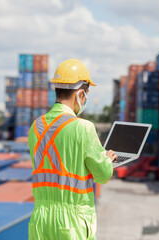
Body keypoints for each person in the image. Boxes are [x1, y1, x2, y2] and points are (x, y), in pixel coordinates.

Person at [28, 59, 117, 240]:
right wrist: (107, 159)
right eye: (86, 94)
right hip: (71, 223)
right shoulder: (83, 128)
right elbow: (102, 175)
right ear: (80, 93)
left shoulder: (36, 126)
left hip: (40, 219)